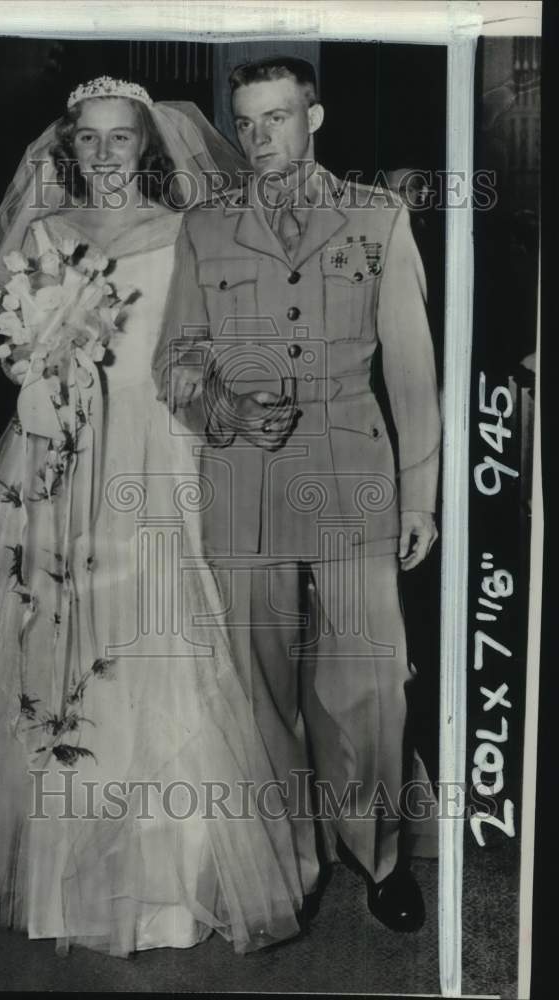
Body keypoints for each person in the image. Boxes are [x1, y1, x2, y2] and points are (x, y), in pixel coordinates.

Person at [0, 77, 318, 958]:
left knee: (156, 637)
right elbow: (12, 345)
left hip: (150, 449)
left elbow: (203, 347)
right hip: (56, 452)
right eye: (91, 140)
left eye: (120, 139)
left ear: (147, 146)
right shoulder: (42, 232)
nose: (106, 155)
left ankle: (165, 888)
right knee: (37, 631)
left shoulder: (184, 230)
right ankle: (53, 882)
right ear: (71, 148)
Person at [155, 56, 441, 933]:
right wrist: (227, 409)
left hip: (353, 474)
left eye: (276, 118)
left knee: (370, 686)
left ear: (313, 119)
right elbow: (173, 361)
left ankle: (380, 853)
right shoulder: (203, 229)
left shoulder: (377, 217)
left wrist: (420, 497)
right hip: (243, 479)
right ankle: (289, 860)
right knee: (261, 688)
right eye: (244, 122)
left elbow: (414, 376)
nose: (258, 137)